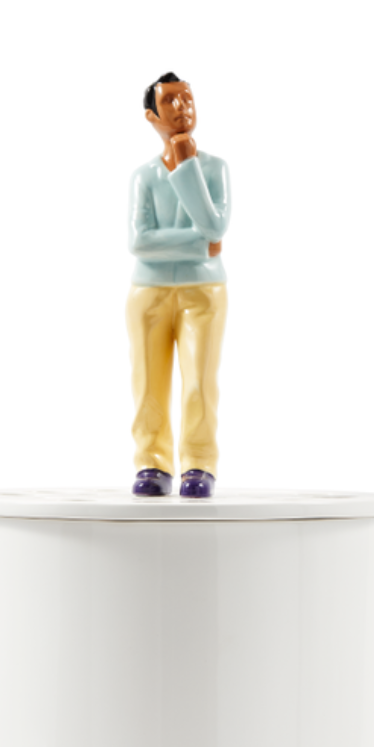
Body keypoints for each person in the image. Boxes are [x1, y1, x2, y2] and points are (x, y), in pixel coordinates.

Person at [127, 72, 230, 498]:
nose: (181, 107)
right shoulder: (144, 176)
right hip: (148, 292)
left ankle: (199, 463)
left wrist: (187, 165)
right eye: (169, 101)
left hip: (204, 291)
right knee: (148, 381)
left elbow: (216, 226)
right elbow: (139, 242)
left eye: (186, 98)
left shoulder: (214, 169)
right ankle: (152, 461)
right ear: (151, 116)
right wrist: (199, 244)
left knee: (199, 380)